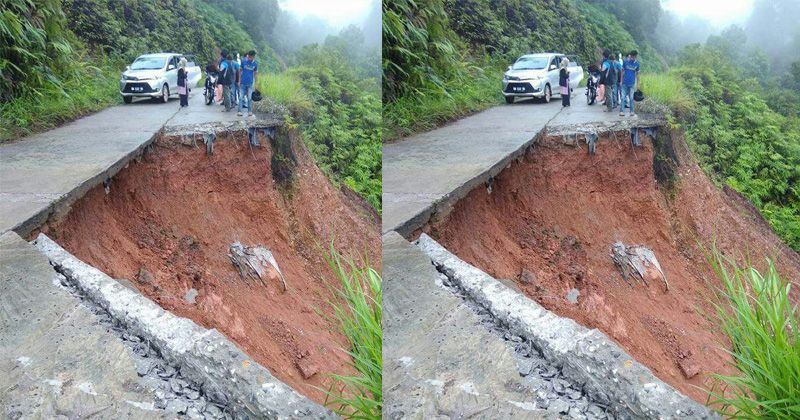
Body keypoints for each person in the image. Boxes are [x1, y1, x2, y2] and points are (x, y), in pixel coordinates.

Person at [620, 50, 640, 117]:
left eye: (634, 57)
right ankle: (621, 111)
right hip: (624, 83)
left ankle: (631, 111)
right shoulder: (625, 62)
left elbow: (637, 75)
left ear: (635, 57)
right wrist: (621, 81)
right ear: (630, 56)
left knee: (631, 98)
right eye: (631, 56)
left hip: (632, 84)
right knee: (623, 97)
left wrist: (638, 84)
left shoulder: (637, 64)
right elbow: (622, 71)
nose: (632, 58)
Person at [238, 50, 259, 117]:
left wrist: (256, 84)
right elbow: (240, 71)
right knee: (241, 97)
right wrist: (238, 81)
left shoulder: (255, 64)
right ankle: (239, 111)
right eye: (249, 57)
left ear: (253, 57)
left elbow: (255, 74)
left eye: (251, 57)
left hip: (250, 84)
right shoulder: (243, 62)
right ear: (248, 56)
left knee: (249, 98)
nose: (250, 58)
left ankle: (249, 111)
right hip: (242, 83)